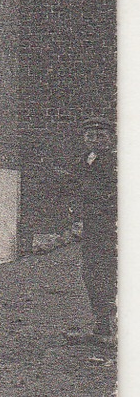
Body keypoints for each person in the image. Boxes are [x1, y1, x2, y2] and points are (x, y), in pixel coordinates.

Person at [74, 116, 117, 344]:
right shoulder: (85, 161)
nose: (95, 140)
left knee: (110, 273)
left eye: (101, 136)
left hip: (110, 228)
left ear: (110, 139)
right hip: (91, 227)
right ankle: (101, 325)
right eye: (90, 136)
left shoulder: (116, 163)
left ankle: (113, 328)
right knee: (91, 273)